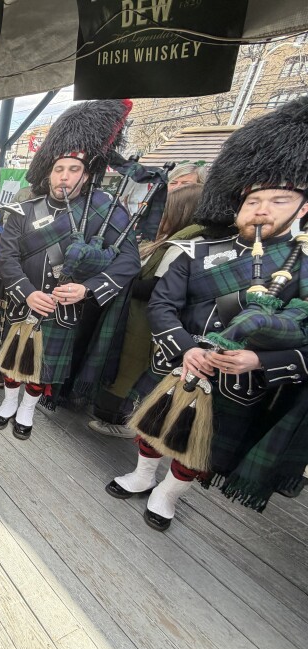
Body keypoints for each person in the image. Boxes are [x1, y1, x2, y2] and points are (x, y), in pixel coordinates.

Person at [107, 96, 308, 530]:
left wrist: (259, 359)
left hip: (241, 380)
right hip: (179, 360)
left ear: (303, 208)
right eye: (253, 198)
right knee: (152, 426)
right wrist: (184, 349)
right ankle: (143, 477)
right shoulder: (197, 250)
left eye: (279, 199)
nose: (261, 208)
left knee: (198, 449)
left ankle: (167, 494)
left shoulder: (303, 266)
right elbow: (163, 303)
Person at [0, 100, 141, 439]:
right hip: (23, 302)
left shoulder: (106, 209)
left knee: (41, 370)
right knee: (13, 361)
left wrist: (87, 289)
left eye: (74, 169)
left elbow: (130, 260)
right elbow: (7, 258)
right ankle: (8, 403)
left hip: (64, 309)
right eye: (59, 169)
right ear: (49, 171)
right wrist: (28, 293)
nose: (65, 176)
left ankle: (27, 410)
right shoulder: (23, 209)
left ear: (87, 175)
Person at [89, 184, 205, 437]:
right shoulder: (169, 239)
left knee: (130, 365)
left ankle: (119, 419)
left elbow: (157, 287)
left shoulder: (185, 245)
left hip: (146, 320)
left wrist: (116, 281)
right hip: (134, 313)